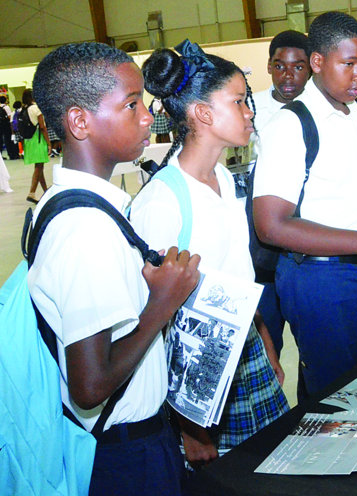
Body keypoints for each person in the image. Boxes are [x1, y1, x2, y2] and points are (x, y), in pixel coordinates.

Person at [27, 42, 200, 496]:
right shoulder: (85, 230)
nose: (147, 116)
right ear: (79, 122)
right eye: (131, 104)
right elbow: (90, 385)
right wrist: (161, 305)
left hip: (131, 442)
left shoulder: (80, 208)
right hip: (124, 457)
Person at [252, 11, 357, 398]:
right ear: (318, 62)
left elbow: (354, 181)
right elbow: (272, 226)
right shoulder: (291, 125)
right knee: (338, 399)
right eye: (348, 63)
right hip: (323, 282)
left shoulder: (356, 111)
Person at [131, 40, 289, 468]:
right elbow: (153, 323)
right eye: (238, 102)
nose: (249, 112)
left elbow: (236, 272)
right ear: (202, 113)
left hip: (245, 345)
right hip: (198, 376)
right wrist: (188, 426)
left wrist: (266, 341)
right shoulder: (162, 203)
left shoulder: (222, 175)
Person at [250, 30, 311, 358]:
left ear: (311, 67)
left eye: (298, 67)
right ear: (270, 67)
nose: (288, 75)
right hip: (262, 249)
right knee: (267, 343)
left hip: (307, 244)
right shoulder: (250, 108)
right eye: (279, 65)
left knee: (315, 348)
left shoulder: (320, 109)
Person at [21, 88, 51, 203]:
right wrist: (48, 143)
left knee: (39, 166)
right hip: (38, 139)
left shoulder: (25, 108)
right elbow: (43, 127)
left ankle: (46, 190)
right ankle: (32, 193)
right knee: (39, 166)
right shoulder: (36, 109)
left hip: (29, 140)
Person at [1, 95, 19, 160]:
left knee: (5, 140)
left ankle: (9, 153)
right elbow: (9, 117)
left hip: (2, 126)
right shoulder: (6, 107)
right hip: (7, 126)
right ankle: (14, 154)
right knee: (10, 139)